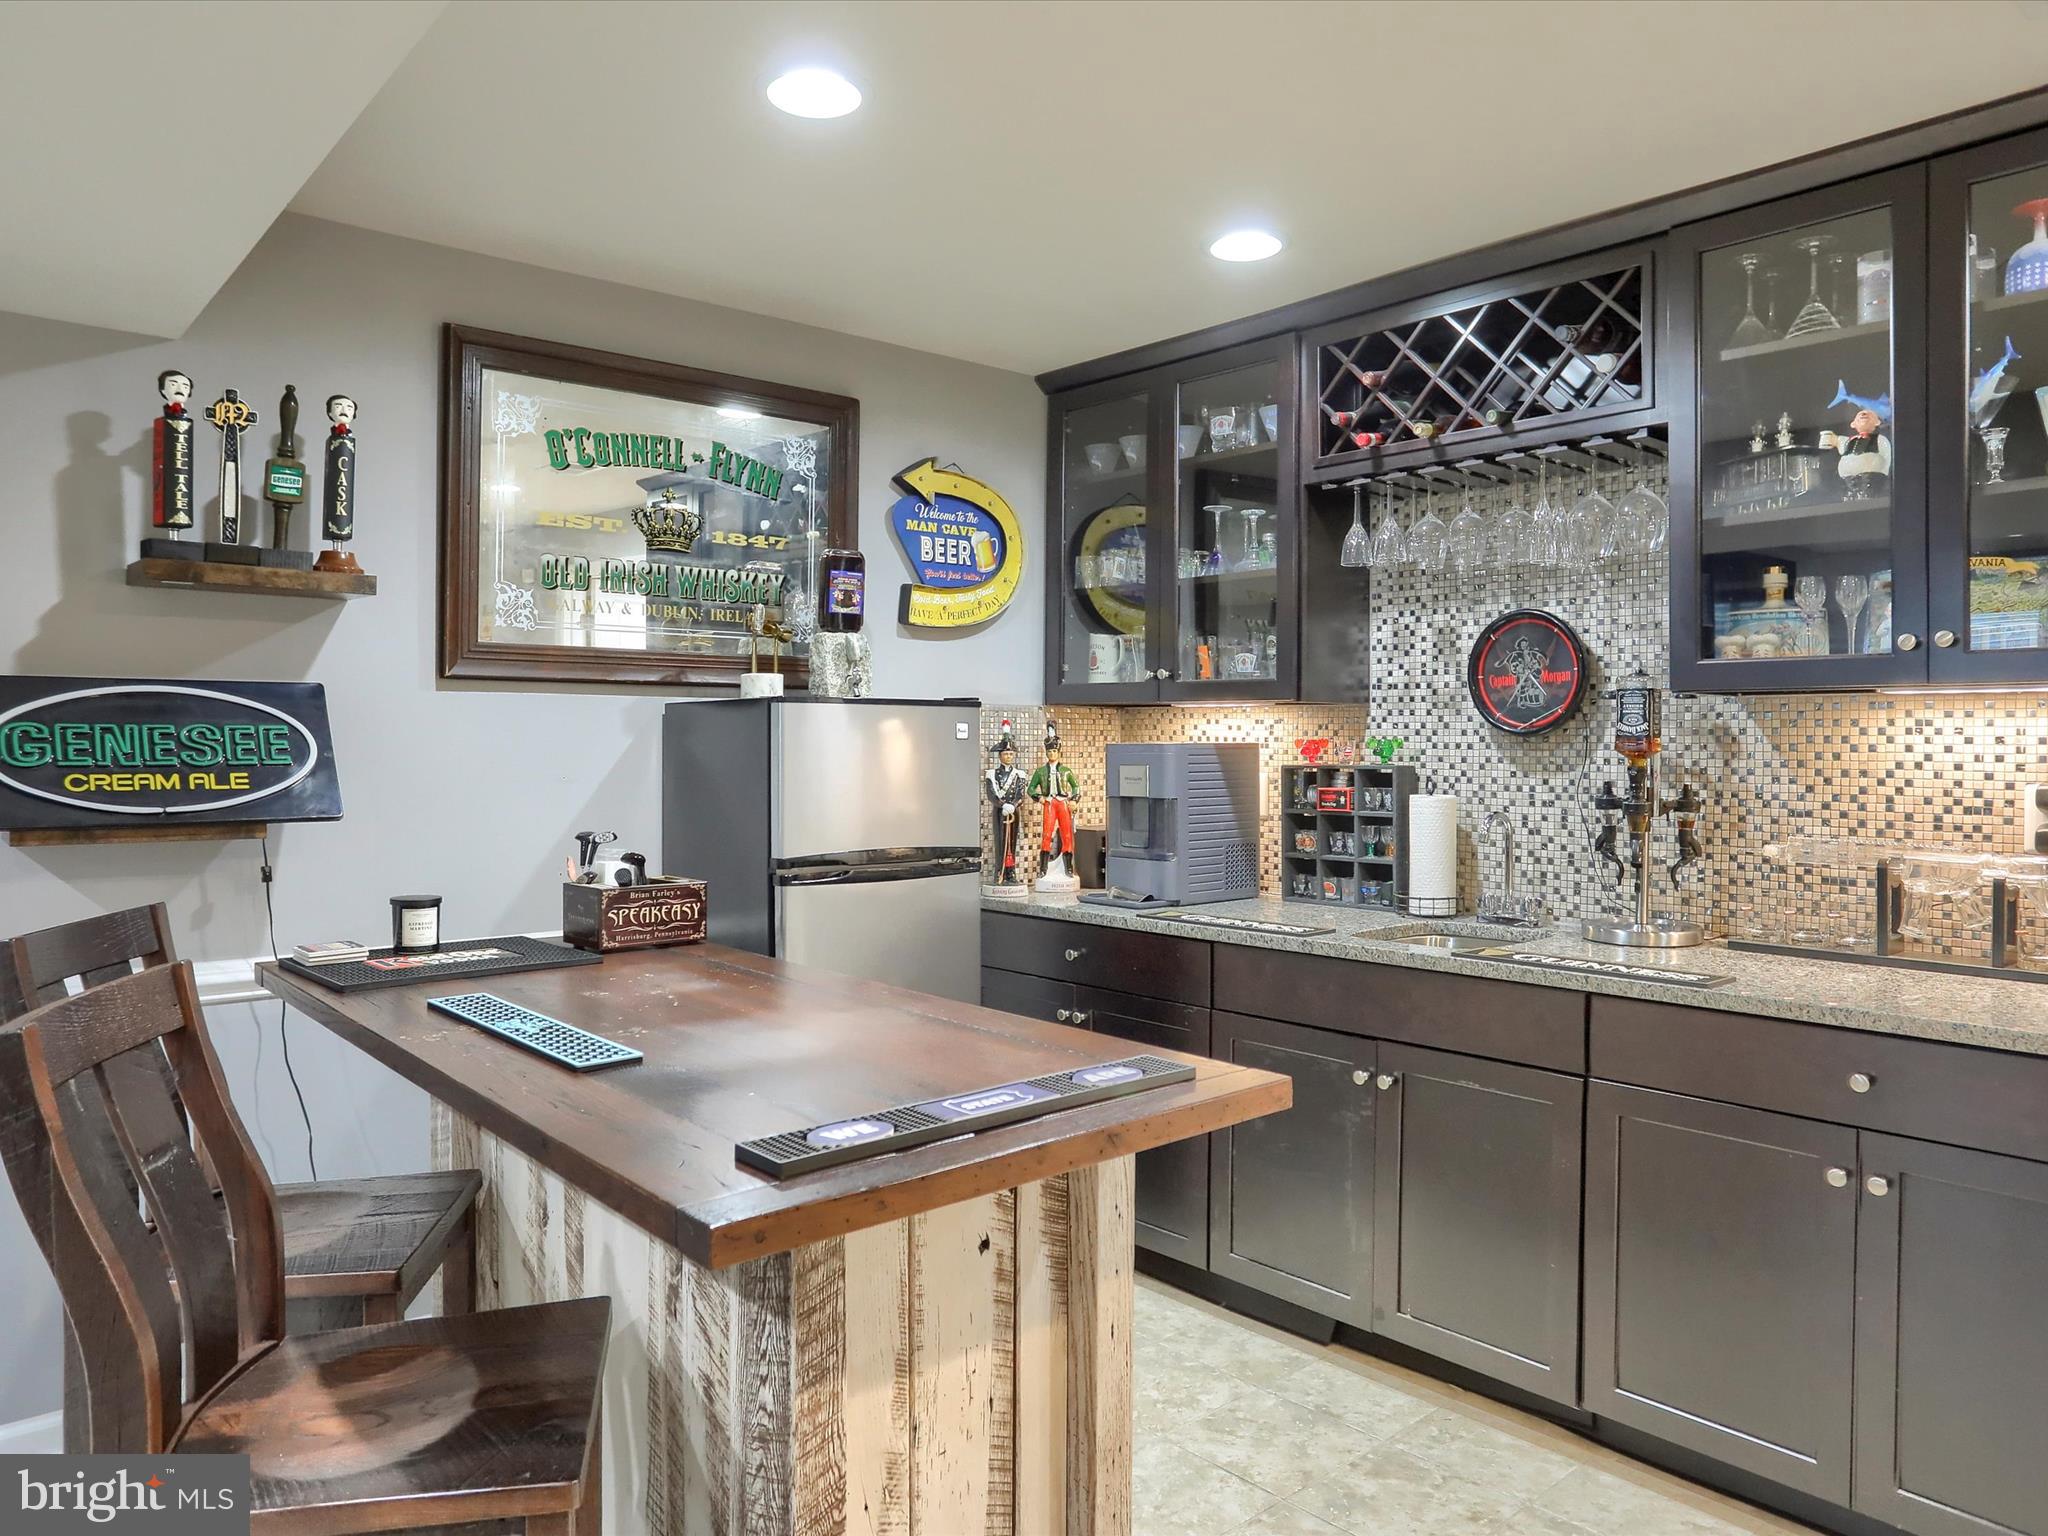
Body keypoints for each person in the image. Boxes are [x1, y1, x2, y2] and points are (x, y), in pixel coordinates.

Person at [1028, 719, 1080, 889]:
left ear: (1059, 753)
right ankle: (1043, 867)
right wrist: (1039, 798)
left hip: (1063, 803)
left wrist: (1074, 800)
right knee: (1047, 834)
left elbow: (1076, 786)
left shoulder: (1066, 771)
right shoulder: (1040, 772)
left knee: (1066, 835)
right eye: (1049, 751)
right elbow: (1030, 789)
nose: (1051, 754)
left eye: (1054, 751)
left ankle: (1068, 867)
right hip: (1049, 803)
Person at [984, 722, 1027, 887]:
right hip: (999, 812)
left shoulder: (1019, 774)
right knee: (1000, 842)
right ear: (1000, 755)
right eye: (1006, 754)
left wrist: (1014, 805)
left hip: (1013, 812)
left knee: (1012, 843)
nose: (1009, 756)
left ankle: (1011, 873)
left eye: (1011, 754)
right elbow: (991, 794)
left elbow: (1020, 794)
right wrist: (1002, 805)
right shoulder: (992, 774)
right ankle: (999, 873)